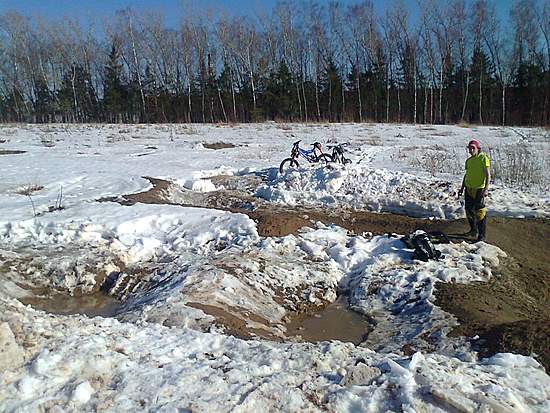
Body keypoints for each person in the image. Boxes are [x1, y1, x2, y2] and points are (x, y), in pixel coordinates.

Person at [458, 139, 491, 242]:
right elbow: (467, 175)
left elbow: (488, 174)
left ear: (478, 148)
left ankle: (481, 235)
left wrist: (486, 189)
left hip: (479, 188)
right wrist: (462, 187)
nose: (471, 150)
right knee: (469, 210)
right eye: (470, 148)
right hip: (468, 188)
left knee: (480, 212)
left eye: (473, 148)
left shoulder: (483, 158)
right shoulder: (469, 161)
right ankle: (473, 230)